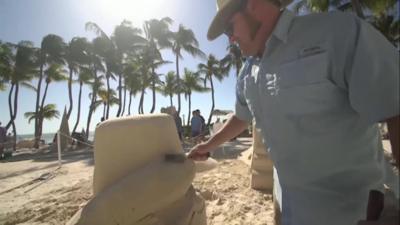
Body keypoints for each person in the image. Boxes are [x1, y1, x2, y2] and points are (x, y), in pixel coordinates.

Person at [188, 0, 399, 225]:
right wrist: (208, 145)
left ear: (254, 4)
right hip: (287, 208)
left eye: (229, 28)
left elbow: (395, 107)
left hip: (351, 213)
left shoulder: (337, 33)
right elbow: (242, 116)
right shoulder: (247, 73)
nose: (230, 39)